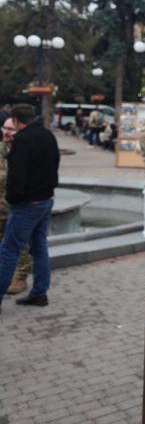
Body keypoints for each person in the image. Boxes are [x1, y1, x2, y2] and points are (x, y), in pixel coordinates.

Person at [0, 104, 60, 313]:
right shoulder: (47, 135)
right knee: (39, 247)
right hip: (46, 200)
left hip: (27, 204)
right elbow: (55, 163)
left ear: (16, 120)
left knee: (8, 250)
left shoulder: (22, 141)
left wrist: (12, 199)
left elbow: (17, 178)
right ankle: (39, 293)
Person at [0, 118, 32, 295]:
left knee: (20, 245)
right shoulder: (0, 150)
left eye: (11, 129)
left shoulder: (24, 152)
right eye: (4, 127)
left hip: (16, 208)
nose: (6, 132)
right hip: (1, 210)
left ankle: (20, 277)